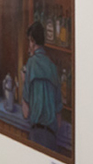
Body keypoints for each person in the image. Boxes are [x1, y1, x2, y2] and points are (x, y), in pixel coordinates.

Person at [21, 20, 63, 152]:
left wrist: (24, 81)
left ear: (32, 41)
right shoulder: (53, 68)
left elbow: (26, 112)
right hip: (51, 138)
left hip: (36, 134)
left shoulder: (30, 64)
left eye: (29, 41)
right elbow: (59, 118)